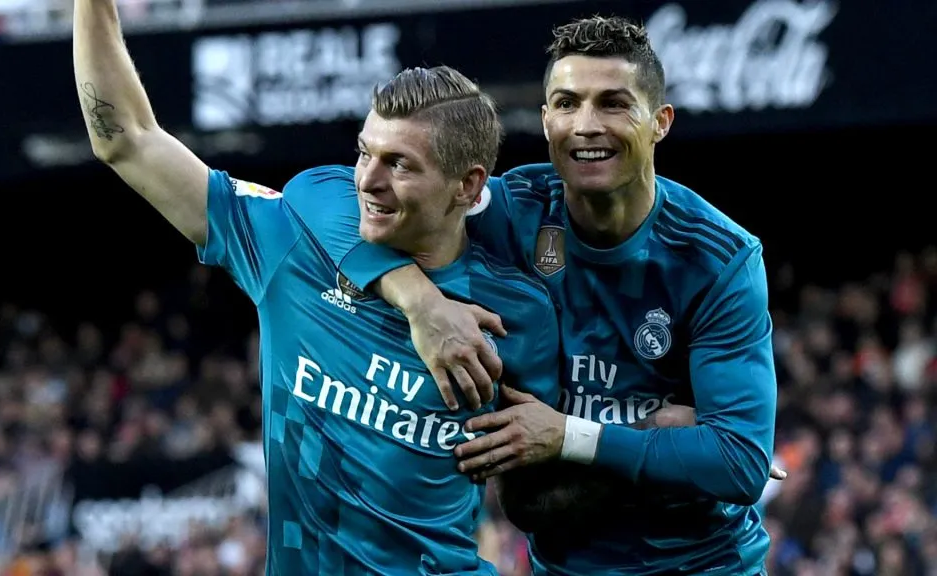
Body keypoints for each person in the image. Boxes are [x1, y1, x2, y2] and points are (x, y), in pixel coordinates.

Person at [71, 2, 562, 574]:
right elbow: (125, 139)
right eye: (364, 151)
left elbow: (545, 494)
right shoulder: (291, 244)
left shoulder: (518, 311)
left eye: (399, 165)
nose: (368, 180)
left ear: (467, 183)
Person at [283, 14, 779, 576]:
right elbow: (317, 193)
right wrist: (418, 300)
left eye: (613, 103)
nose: (586, 125)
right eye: (566, 103)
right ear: (545, 120)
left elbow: (739, 463)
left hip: (703, 566)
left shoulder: (717, 257)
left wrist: (570, 435)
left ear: (660, 121)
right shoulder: (515, 207)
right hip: (560, 564)